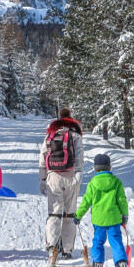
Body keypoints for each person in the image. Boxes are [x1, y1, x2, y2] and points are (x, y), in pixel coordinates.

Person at [74, 153, 130, 267]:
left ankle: (97, 264)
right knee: (116, 241)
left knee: (98, 241)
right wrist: (124, 214)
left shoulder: (93, 183)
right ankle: (121, 266)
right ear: (109, 167)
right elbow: (122, 200)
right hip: (114, 219)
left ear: (95, 168)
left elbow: (86, 202)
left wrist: (78, 215)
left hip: (98, 220)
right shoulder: (116, 182)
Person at [39, 107, 84, 259]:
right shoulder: (75, 135)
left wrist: (43, 179)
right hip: (71, 177)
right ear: (71, 118)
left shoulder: (50, 135)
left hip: (53, 178)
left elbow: (42, 157)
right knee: (69, 214)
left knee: (54, 213)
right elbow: (79, 156)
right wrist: (78, 173)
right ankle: (67, 250)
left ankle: (52, 246)